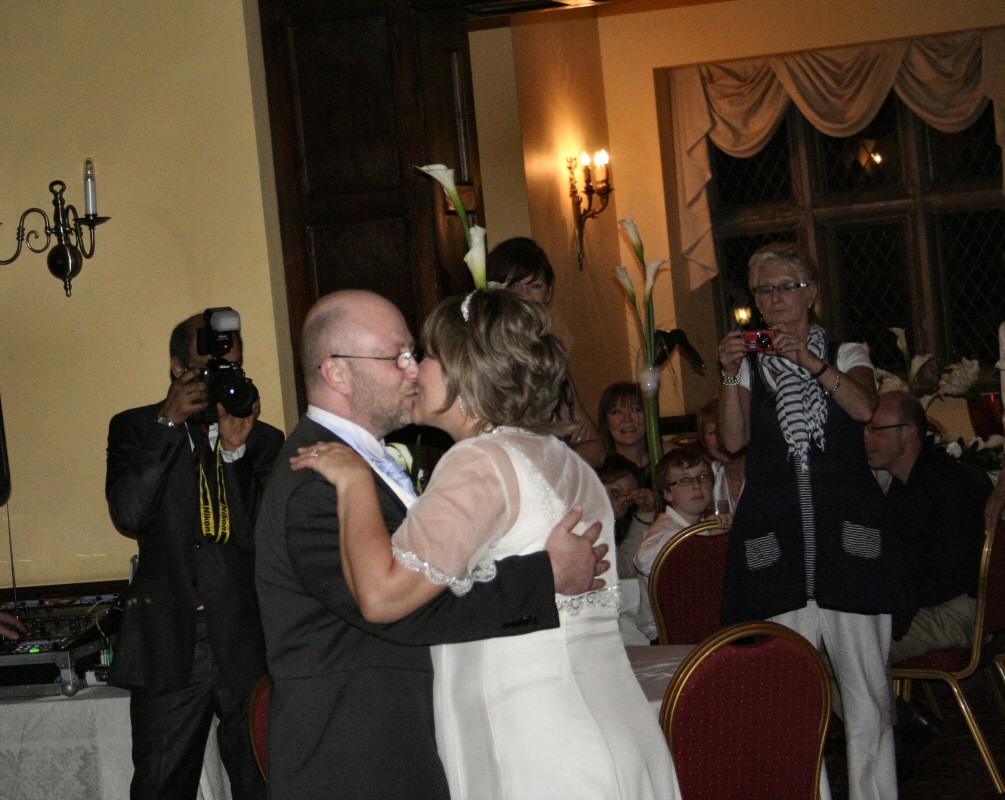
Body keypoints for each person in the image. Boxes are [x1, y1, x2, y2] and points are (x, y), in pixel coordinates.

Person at [292, 288, 678, 800]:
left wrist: (356, 482)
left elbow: (382, 596)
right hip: (614, 722)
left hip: (536, 741)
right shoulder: (566, 461)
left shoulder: (479, 462)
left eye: (427, 355)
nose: (414, 370)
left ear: (463, 372)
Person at [716, 242, 915, 800]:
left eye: (786, 287)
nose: (775, 299)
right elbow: (732, 440)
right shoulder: (750, 362)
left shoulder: (847, 352)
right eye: (764, 290)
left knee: (867, 697)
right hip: (777, 548)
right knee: (792, 697)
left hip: (850, 547)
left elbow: (864, 408)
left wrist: (809, 360)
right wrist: (729, 374)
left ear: (812, 293)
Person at [106, 310, 284, 800]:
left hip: (247, 639)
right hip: (170, 637)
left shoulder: (264, 440)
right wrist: (169, 423)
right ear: (177, 368)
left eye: (231, 369)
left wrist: (235, 455)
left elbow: (270, 539)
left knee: (262, 782)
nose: (219, 381)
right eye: (207, 370)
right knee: (162, 784)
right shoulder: (136, 428)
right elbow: (129, 514)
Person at [865, 391, 991, 662]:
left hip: (961, 612)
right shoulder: (907, 484)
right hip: (937, 604)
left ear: (909, 432)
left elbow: (948, 577)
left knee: (846, 650)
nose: (866, 437)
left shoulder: (948, 484)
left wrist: (882, 601)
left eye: (876, 429)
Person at [487, 236, 604, 465]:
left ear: (549, 292)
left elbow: (596, 447)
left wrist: (561, 458)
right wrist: (569, 456)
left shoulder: (552, 357)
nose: (524, 296)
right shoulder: (490, 359)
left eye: (535, 286)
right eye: (513, 286)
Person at [633, 448, 715, 642]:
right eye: (684, 480)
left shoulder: (704, 525)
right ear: (667, 493)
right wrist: (701, 535)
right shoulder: (663, 529)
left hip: (704, 630)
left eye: (703, 477)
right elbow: (643, 561)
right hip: (670, 638)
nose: (697, 486)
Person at [598, 381, 659, 494]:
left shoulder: (664, 463)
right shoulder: (596, 470)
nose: (627, 419)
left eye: (635, 410)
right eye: (617, 412)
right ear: (606, 422)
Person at [696, 396, 745, 526]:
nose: (721, 439)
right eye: (712, 433)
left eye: (726, 430)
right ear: (704, 441)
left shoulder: (763, 471)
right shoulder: (705, 477)